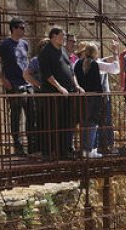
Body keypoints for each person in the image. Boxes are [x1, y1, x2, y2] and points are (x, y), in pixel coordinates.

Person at [0, 18, 31, 156]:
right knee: (16, 115)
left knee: (32, 114)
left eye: (24, 28)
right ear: (13, 28)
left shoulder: (24, 44)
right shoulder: (5, 44)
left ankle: (32, 145)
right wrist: (2, 79)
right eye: (21, 27)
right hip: (14, 84)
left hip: (26, 83)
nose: (23, 30)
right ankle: (18, 146)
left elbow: (26, 61)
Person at [38, 26, 82, 159]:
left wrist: (77, 85)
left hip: (68, 94)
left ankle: (65, 150)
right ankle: (51, 152)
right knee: (53, 123)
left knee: (67, 123)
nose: (63, 38)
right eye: (62, 36)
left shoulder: (62, 51)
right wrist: (59, 87)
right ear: (53, 36)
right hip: (54, 95)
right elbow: (47, 74)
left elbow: (70, 70)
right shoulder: (45, 52)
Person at [74, 41, 119, 158]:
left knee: (84, 123)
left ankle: (86, 149)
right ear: (95, 52)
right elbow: (116, 69)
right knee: (92, 123)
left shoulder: (77, 64)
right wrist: (115, 53)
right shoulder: (96, 64)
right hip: (94, 98)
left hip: (82, 97)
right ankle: (90, 150)